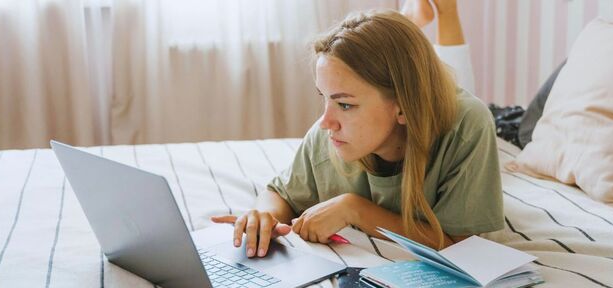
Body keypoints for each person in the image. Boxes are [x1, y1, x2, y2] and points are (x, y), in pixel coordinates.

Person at [212, 1, 502, 258]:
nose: (326, 121)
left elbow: (462, 245)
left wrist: (355, 209)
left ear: (402, 106)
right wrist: (264, 216)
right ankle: (411, 16)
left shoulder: (468, 127)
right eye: (324, 97)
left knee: (451, 84)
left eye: (345, 105)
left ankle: (427, 15)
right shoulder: (327, 135)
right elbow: (281, 193)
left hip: (442, 117)